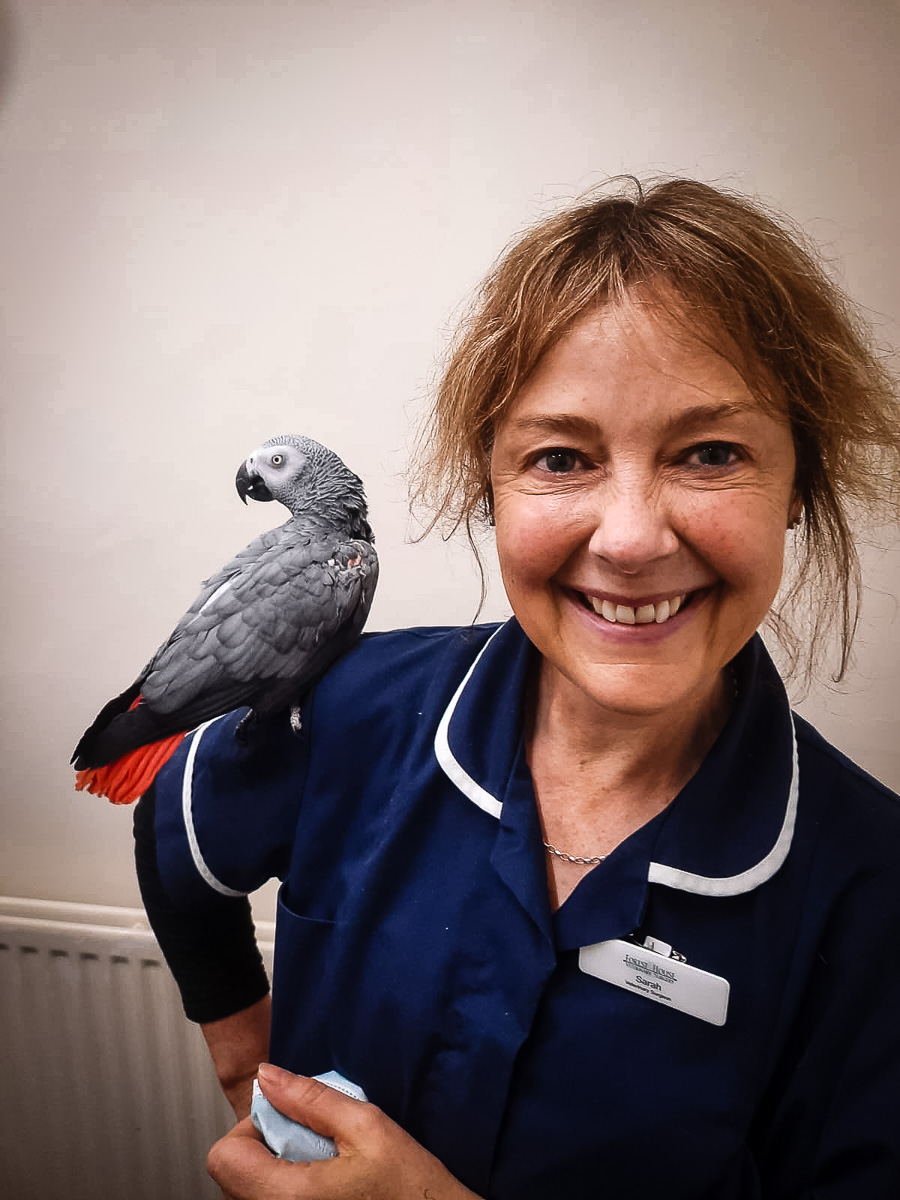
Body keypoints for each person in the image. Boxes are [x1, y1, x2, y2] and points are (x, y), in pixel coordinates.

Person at [135, 177, 900, 1199]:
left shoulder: (874, 892)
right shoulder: (347, 709)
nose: (630, 539)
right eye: (561, 457)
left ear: (799, 484)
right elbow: (174, 831)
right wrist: (243, 1056)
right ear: (488, 486)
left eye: (712, 453)